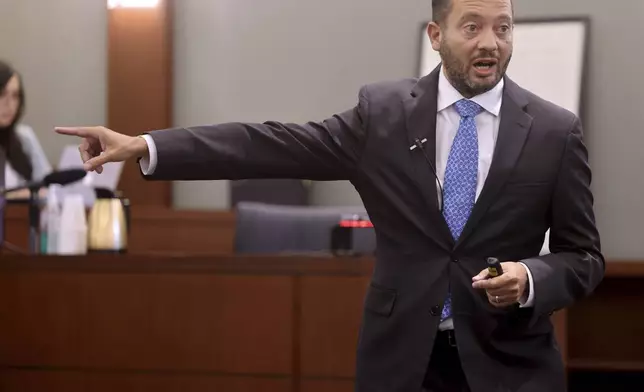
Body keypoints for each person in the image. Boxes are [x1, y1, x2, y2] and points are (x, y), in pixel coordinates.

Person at [56, 0, 605, 390]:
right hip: (401, 364)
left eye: (504, 28)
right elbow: (268, 145)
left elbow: (584, 257)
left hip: (510, 367)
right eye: (473, 27)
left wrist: (532, 278)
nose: (491, 43)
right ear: (436, 36)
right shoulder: (384, 116)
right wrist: (148, 145)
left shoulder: (554, 132)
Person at [0, 60, 53, 192]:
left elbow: (48, 185)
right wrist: (15, 196)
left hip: (29, 212)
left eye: (15, 96)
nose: (10, 104)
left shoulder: (24, 137)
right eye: (2, 94)